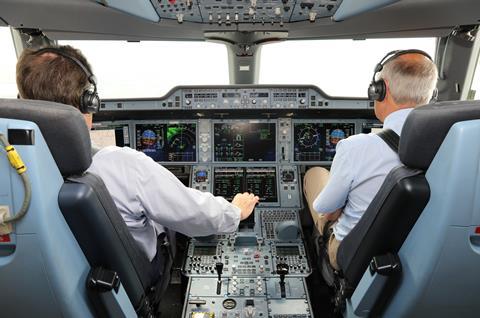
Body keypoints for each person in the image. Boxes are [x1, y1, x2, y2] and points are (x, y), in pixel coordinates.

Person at [16, 45, 259, 268]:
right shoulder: (121, 165)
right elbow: (193, 213)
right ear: (88, 102)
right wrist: (234, 211)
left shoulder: (10, 169)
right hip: (129, 277)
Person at [303, 49, 438, 270]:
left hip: (354, 251)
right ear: (431, 94)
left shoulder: (355, 147)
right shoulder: (453, 145)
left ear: (380, 89)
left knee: (316, 174)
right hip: (419, 249)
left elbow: (326, 208)